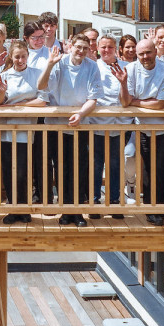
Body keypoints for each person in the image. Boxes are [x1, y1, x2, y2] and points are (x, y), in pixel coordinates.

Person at [37, 34, 102, 226]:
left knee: (79, 169)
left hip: (80, 124)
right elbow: (41, 86)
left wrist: (80, 114)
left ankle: (77, 212)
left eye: (85, 48)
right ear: (70, 46)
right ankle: (65, 211)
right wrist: (50, 64)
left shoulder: (92, 66)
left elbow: (93, 99)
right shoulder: (59, 62)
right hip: (56, 125)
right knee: (61, 168)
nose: (81, 51)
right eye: (78, 47)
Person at [0, 40, 47, 223]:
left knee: (23, 170)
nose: (20, 60)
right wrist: (2, 94)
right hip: (6, 128)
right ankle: (13, 208)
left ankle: (24, 208)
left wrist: (18, 105)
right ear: (11, 57)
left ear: (28, 56)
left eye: (23, 56)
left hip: (27, 128)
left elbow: (42, 100)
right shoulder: (4, 75)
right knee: (9, 170)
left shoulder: (37, 74)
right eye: (17, 57)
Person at [127, 38, 164, 226]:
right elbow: (125, 100)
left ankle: (163, 209)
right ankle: (151, 209)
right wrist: (145, 102)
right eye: (141, 54)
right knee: (148, 169)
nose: (145, 57)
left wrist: (135, 102)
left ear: (156, 51)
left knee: (163, 169)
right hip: (142, 127)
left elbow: (160, 104)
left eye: (148, 52)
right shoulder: (131, 69)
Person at [92, 35, 133, 217]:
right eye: (103, 47)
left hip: (119, 124)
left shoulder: (126, 67)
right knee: (95, 165)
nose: (106, 50)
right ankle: (94, 201)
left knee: (115, 165)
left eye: (110, 47)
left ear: (116, 48)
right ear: (98, 48)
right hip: (96, 124)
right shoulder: (93, 66)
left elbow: (128, 95)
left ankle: (114, 201)